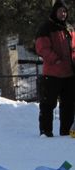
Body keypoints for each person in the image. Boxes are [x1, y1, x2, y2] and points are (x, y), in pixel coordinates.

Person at [35, 0, 75, 137]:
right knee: (48, 105)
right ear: (55, 12)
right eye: (60, 11)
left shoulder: (69, 28)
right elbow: (42, 48)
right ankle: (46, 132)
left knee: (69, 106)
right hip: (52, 74)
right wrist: (56, 60)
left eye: (65, 11)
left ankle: (67, 132)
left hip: (69, 74)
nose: (63, 14)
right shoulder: (46, 28)